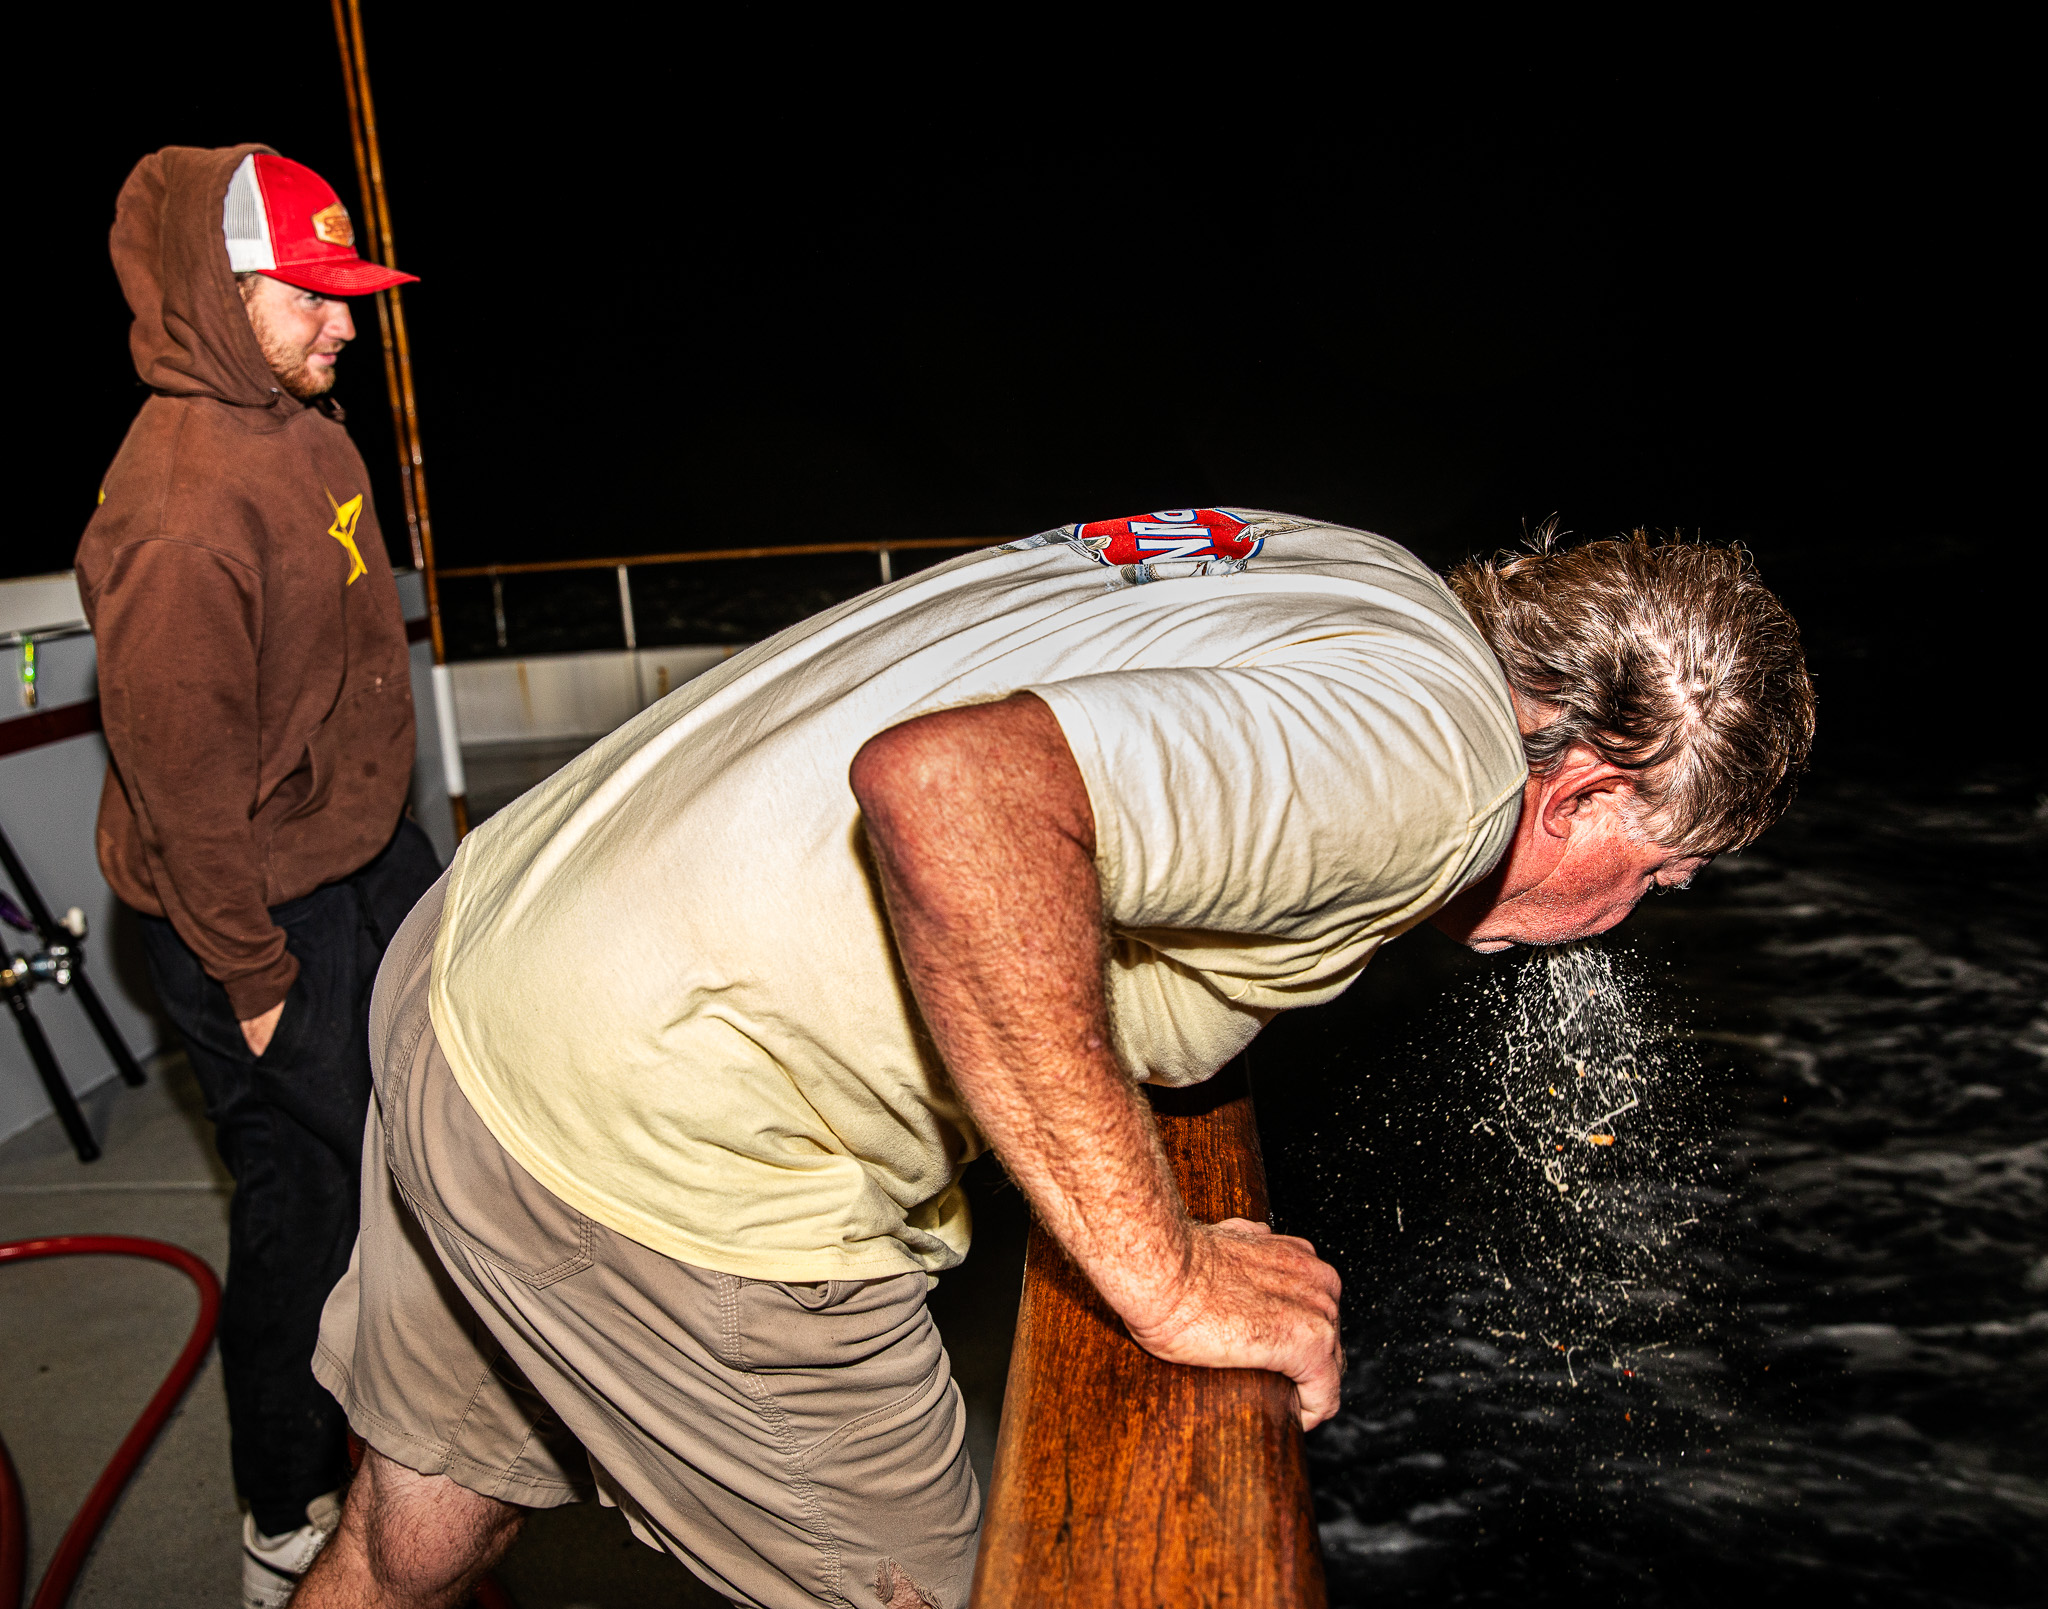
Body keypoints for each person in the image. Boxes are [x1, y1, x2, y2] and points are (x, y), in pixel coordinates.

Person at [300, 512, 1813, 1608]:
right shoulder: (1444, 779)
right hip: (658, 1125)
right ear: (1586, 790)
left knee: (410, 1540)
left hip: (485, 958)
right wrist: (1166, 1270)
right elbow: (954, 790)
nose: (1625, 919)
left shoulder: (1368, 579)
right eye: (1659, 875)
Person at [73, 144, 441, 1609]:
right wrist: (257, 981)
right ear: (224, 298)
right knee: (314, 1198)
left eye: (351, 295)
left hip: (360, 853)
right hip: (254, 908)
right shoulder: (177, 514)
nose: (345, 326)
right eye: (312, 297)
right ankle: (285, 1511)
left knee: (430, 1127)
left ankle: (413, 1415)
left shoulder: (305, 423)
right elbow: (183, 794)